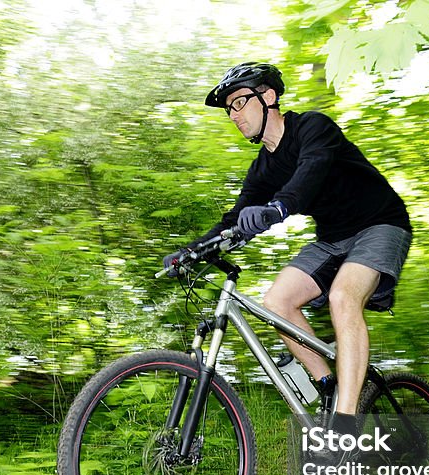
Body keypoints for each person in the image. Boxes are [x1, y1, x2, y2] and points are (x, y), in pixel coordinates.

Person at [164, 62, 412, 436]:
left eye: (239, 102)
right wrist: (191, 251)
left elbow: (311, 169)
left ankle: (346, 423)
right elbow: (234, 218)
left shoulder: (312, 127)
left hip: (380, 224)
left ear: (268, 97)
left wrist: (278, 207)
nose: (234, 115)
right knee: (277, 301)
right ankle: (328, 387)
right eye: (229, 108)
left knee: (343, 298)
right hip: (333, 238)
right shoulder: (262, 168)